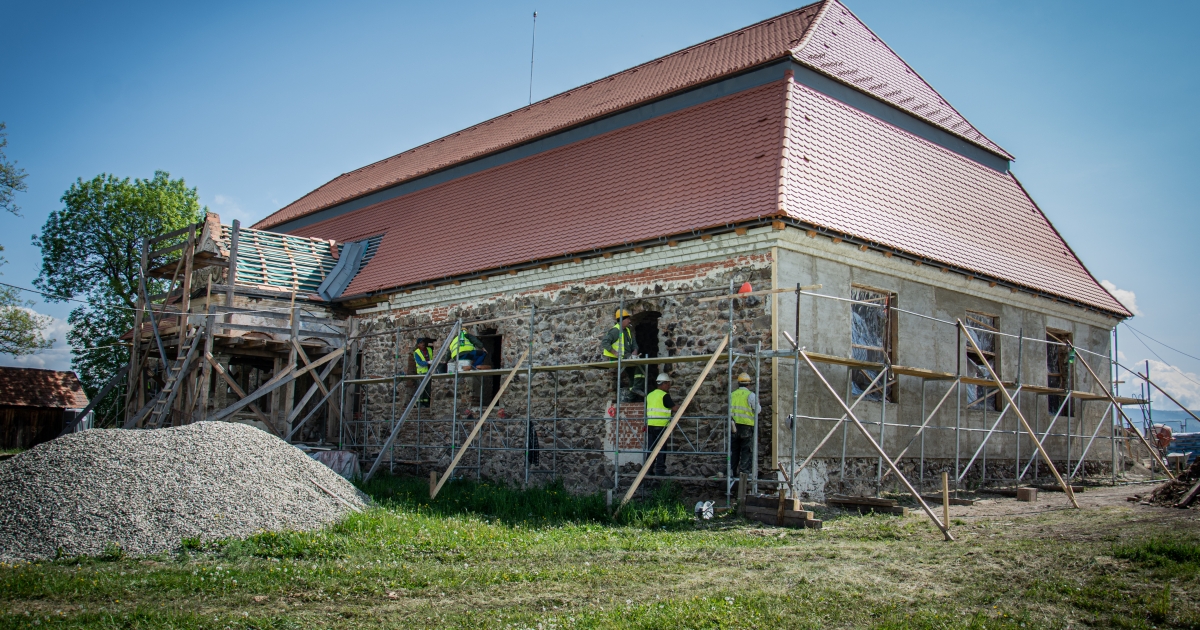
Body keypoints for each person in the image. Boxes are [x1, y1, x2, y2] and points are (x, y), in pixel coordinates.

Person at [602, 309, 641, 399]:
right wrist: (615, 353)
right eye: (628, 319)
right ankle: (636, 388)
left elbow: (634, 344)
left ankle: (633, 392)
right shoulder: (616, 331)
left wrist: (635, 352)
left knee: (633, 372)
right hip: (618, 358)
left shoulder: (628, 331)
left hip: (627, 356)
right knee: (640, 365)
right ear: (622, 320)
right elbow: (605, 342)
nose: (630, 321)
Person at [644, 373, 678, 476]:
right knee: (661, 450)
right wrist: (685, 405)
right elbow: (674, 408)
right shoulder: (664, 395)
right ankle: (660, 471)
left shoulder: (650, 395)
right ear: (664, 383)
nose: (669, 386)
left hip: (650, 426)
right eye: (668, 384)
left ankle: (648, 470)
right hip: (661, 427)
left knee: (651, 449)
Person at [729, 372, 761, 475]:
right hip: (746, 427)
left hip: (733, 426)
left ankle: (732, 472)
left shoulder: (732, 395)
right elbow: (758, 410)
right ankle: (744, 473)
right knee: (746, 450)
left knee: (734, 451)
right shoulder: (751, 395)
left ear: (738, 384)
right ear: (748, 384)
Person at [410, 338, 434, 407]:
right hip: (421, 373)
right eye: (421, 343)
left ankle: (425, 403)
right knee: (421, 389)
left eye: (423, 342)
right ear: (418, 345)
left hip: (429, 372)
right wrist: (428, 362)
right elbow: (419, 362)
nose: (423, 344)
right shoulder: (417, 352)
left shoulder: (429, 350)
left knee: (427, 388)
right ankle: (419, 404)